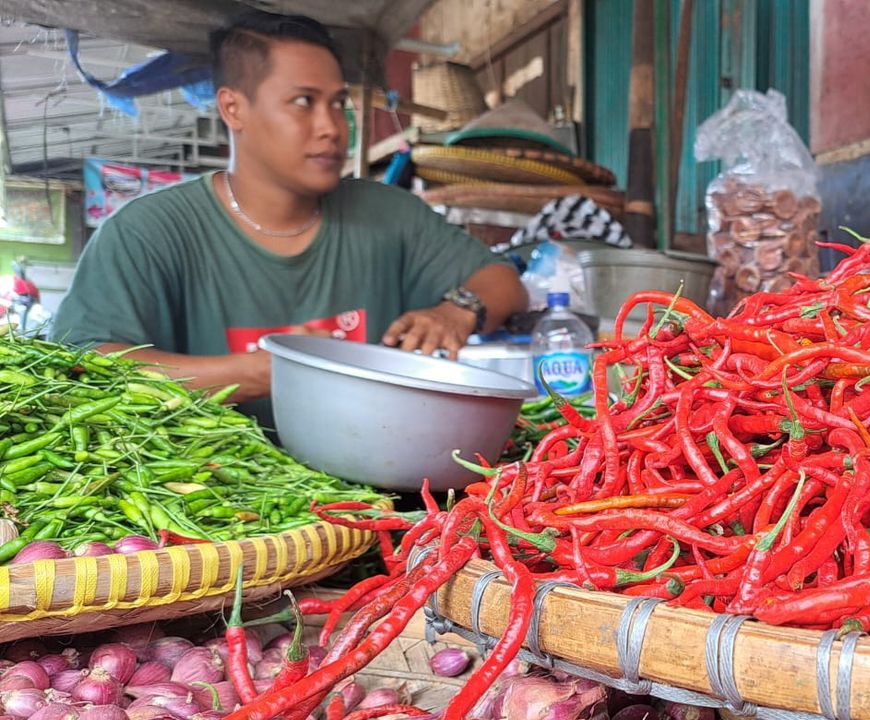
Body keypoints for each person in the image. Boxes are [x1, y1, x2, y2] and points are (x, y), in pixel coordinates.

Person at [52, 10, 527, 424]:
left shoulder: (386, 213)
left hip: (379, 482)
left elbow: (504, 282)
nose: (331, 127)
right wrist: (258, 372)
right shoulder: (148, 233)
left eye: (337, 104)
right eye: (303, 102)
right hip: (217, 503)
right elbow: (88, 365)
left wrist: (457, 309)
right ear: (233, 107)